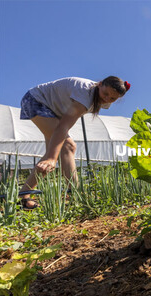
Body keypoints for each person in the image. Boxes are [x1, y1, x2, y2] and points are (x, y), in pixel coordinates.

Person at [19, 76, 130, 210]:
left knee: (59, 151)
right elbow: (63, 126)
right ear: (99, 84)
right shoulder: (85, 93)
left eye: (112, 98)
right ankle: (77, 196)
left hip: (53, 110)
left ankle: (24, 197)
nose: (107, 99)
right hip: (36, 101)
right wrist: (52, 158)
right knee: (67, 147)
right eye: (105, 94)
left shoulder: (103, 99)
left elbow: (67, 121)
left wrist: (52, 156)